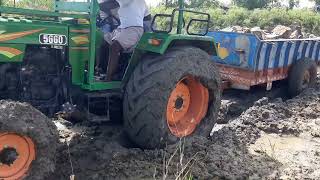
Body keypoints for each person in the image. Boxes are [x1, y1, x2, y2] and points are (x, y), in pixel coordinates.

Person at [104, 0, 148, 81]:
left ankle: (108, 78)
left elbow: (106, 5)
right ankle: (100, 69)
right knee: (104, 40)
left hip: (134, 29)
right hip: (122, 28)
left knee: (115, 46)